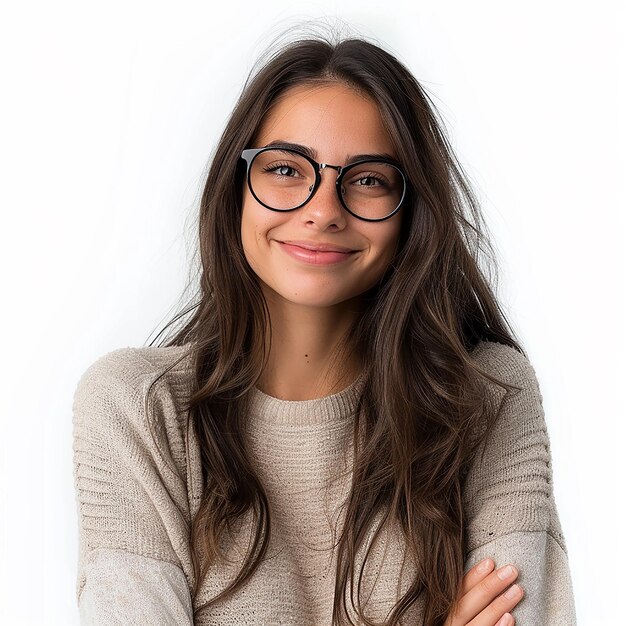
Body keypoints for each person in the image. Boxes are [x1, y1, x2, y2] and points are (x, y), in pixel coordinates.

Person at [71, 27, 577, 626]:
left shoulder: (489, 394)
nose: (322, 210)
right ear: (236, 190)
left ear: (411, 212)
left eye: (366, 180)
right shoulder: (136, 406)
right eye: (286, 169)